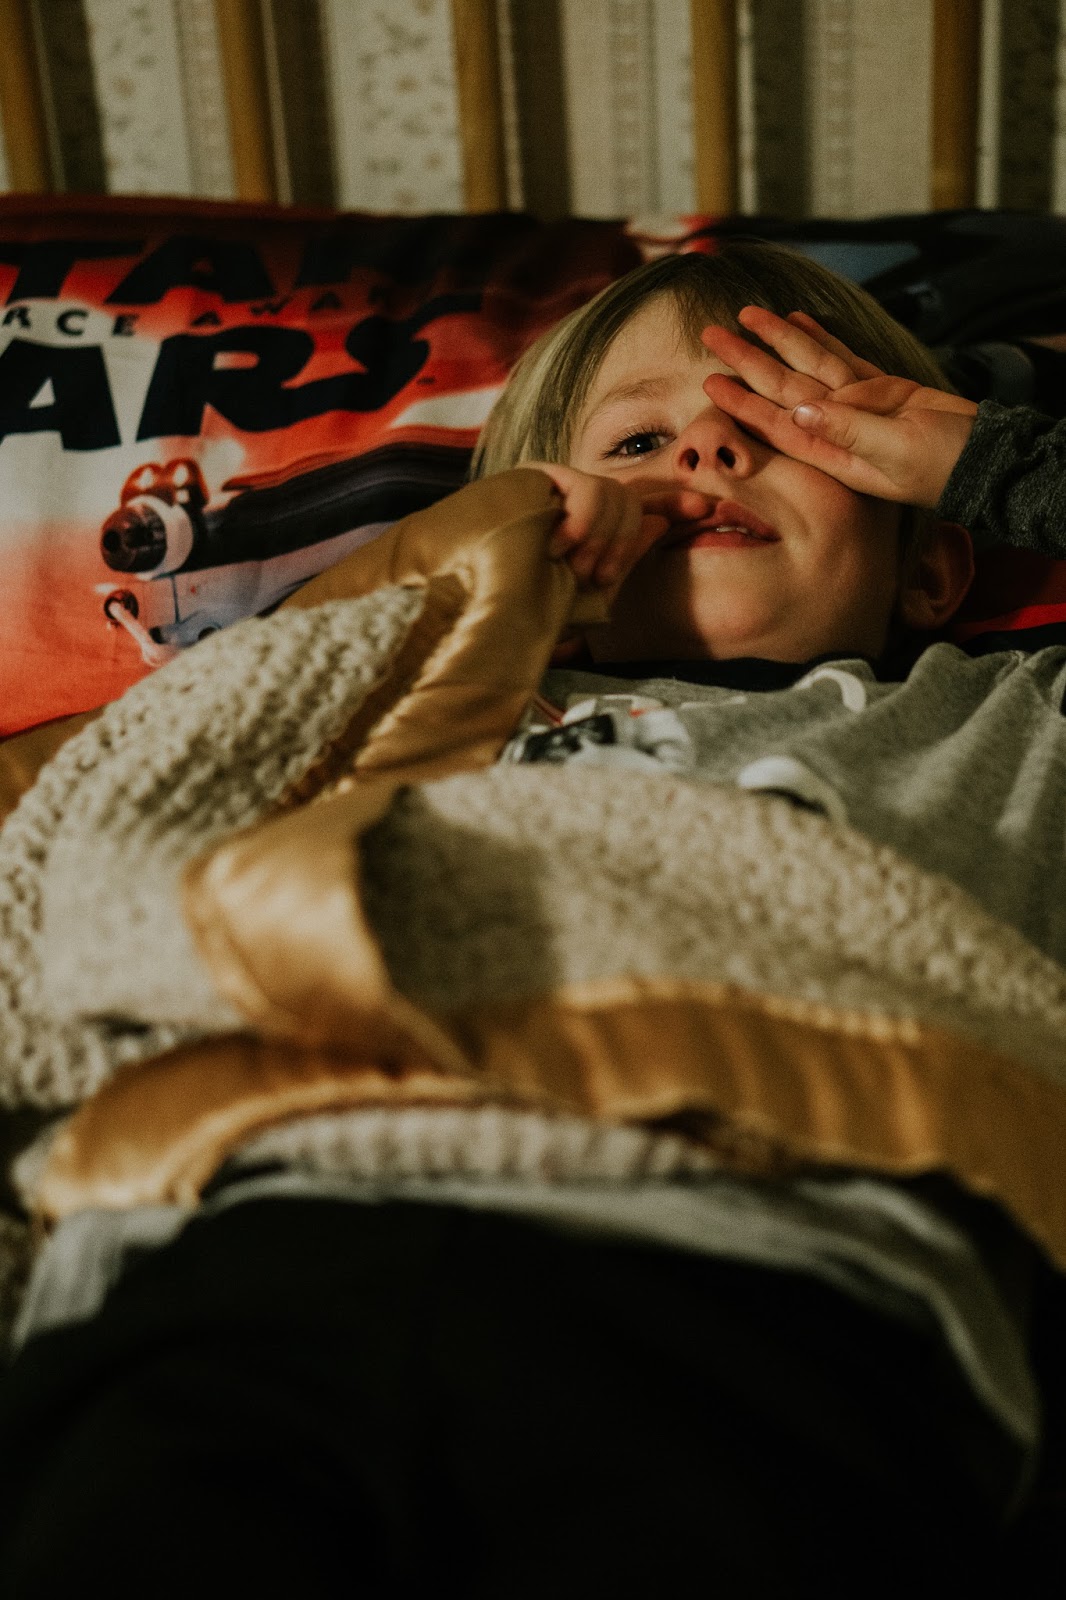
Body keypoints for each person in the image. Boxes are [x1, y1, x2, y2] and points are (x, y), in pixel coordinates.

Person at [1, 240, 1062, 1598]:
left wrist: (986, 461)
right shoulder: (402, 692)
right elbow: (130, 794)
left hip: (769, 1274)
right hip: (263, 1226)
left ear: (930, 570)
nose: (709, 456)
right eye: (638, 442)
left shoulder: (1009, 719)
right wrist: (469, 566)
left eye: (799, 430)